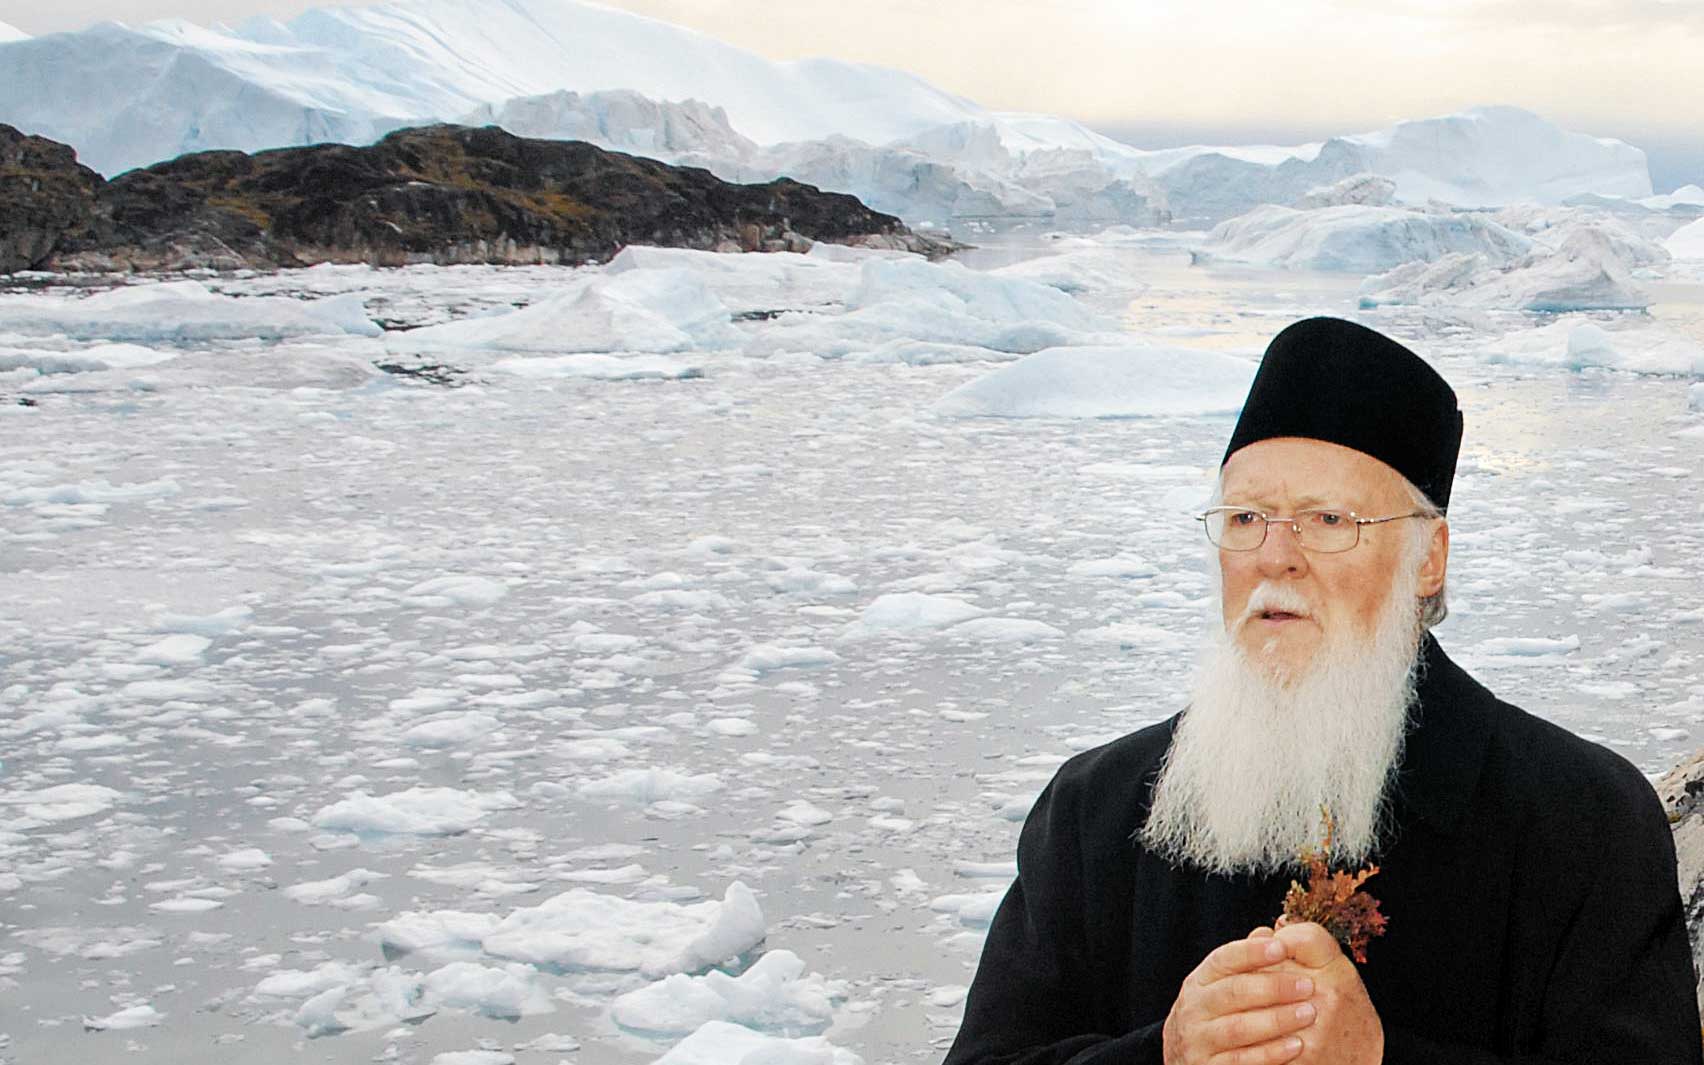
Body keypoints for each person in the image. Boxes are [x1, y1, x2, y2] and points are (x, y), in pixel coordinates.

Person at [942, 317, 1701, 1065]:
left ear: (1428, 560)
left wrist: (1378, 1058)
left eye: (1328, 519)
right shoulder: (1096, 809)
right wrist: (1162, 1054)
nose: (1277, 557)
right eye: (1246, 517)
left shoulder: (1582, 819)